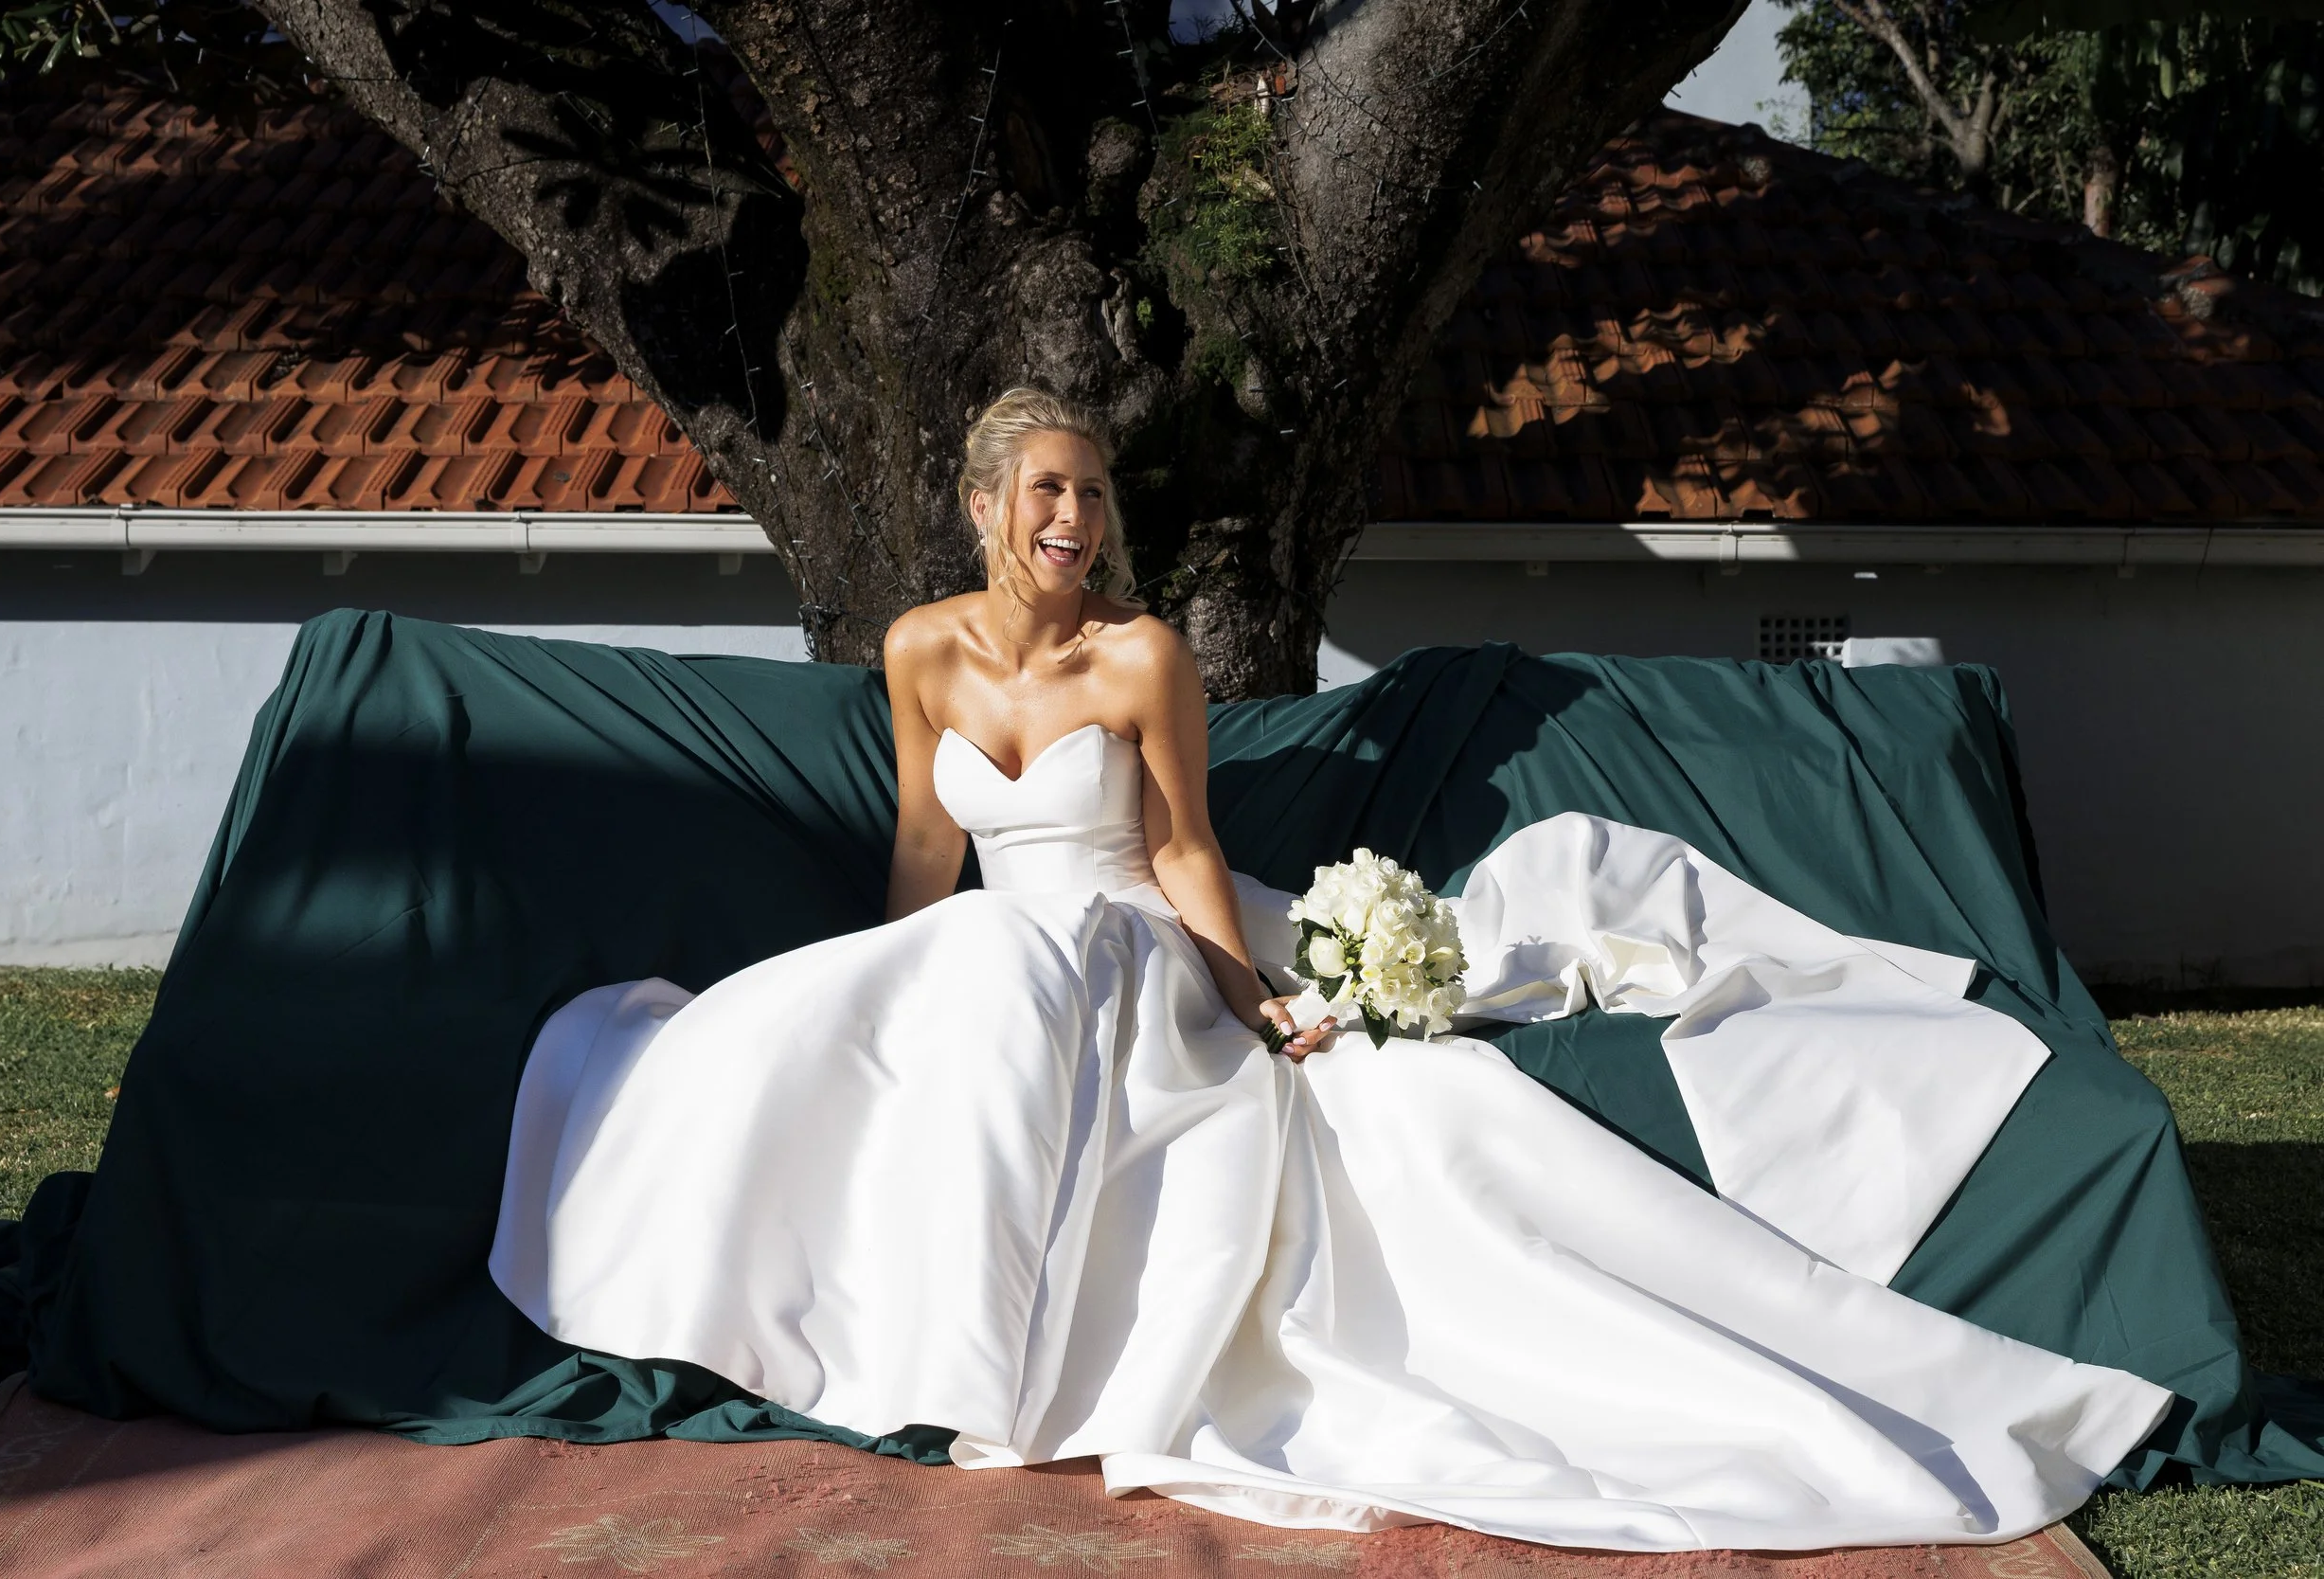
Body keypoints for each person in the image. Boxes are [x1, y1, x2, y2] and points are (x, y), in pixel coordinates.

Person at [487, 388, 2172, 1552]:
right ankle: (872, 1338)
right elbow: (930, 853)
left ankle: (1010, 1375)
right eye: (1047, 491)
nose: (1075, 517)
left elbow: (1185, 850)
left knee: (1033, 995)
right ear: (985, 504)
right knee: (858, 1005)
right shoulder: (922, 647)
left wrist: (1247, 996)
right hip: (983, 927)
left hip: (1130, 933)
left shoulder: (1145, 652)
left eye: (1092, 491)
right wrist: (867, 973)